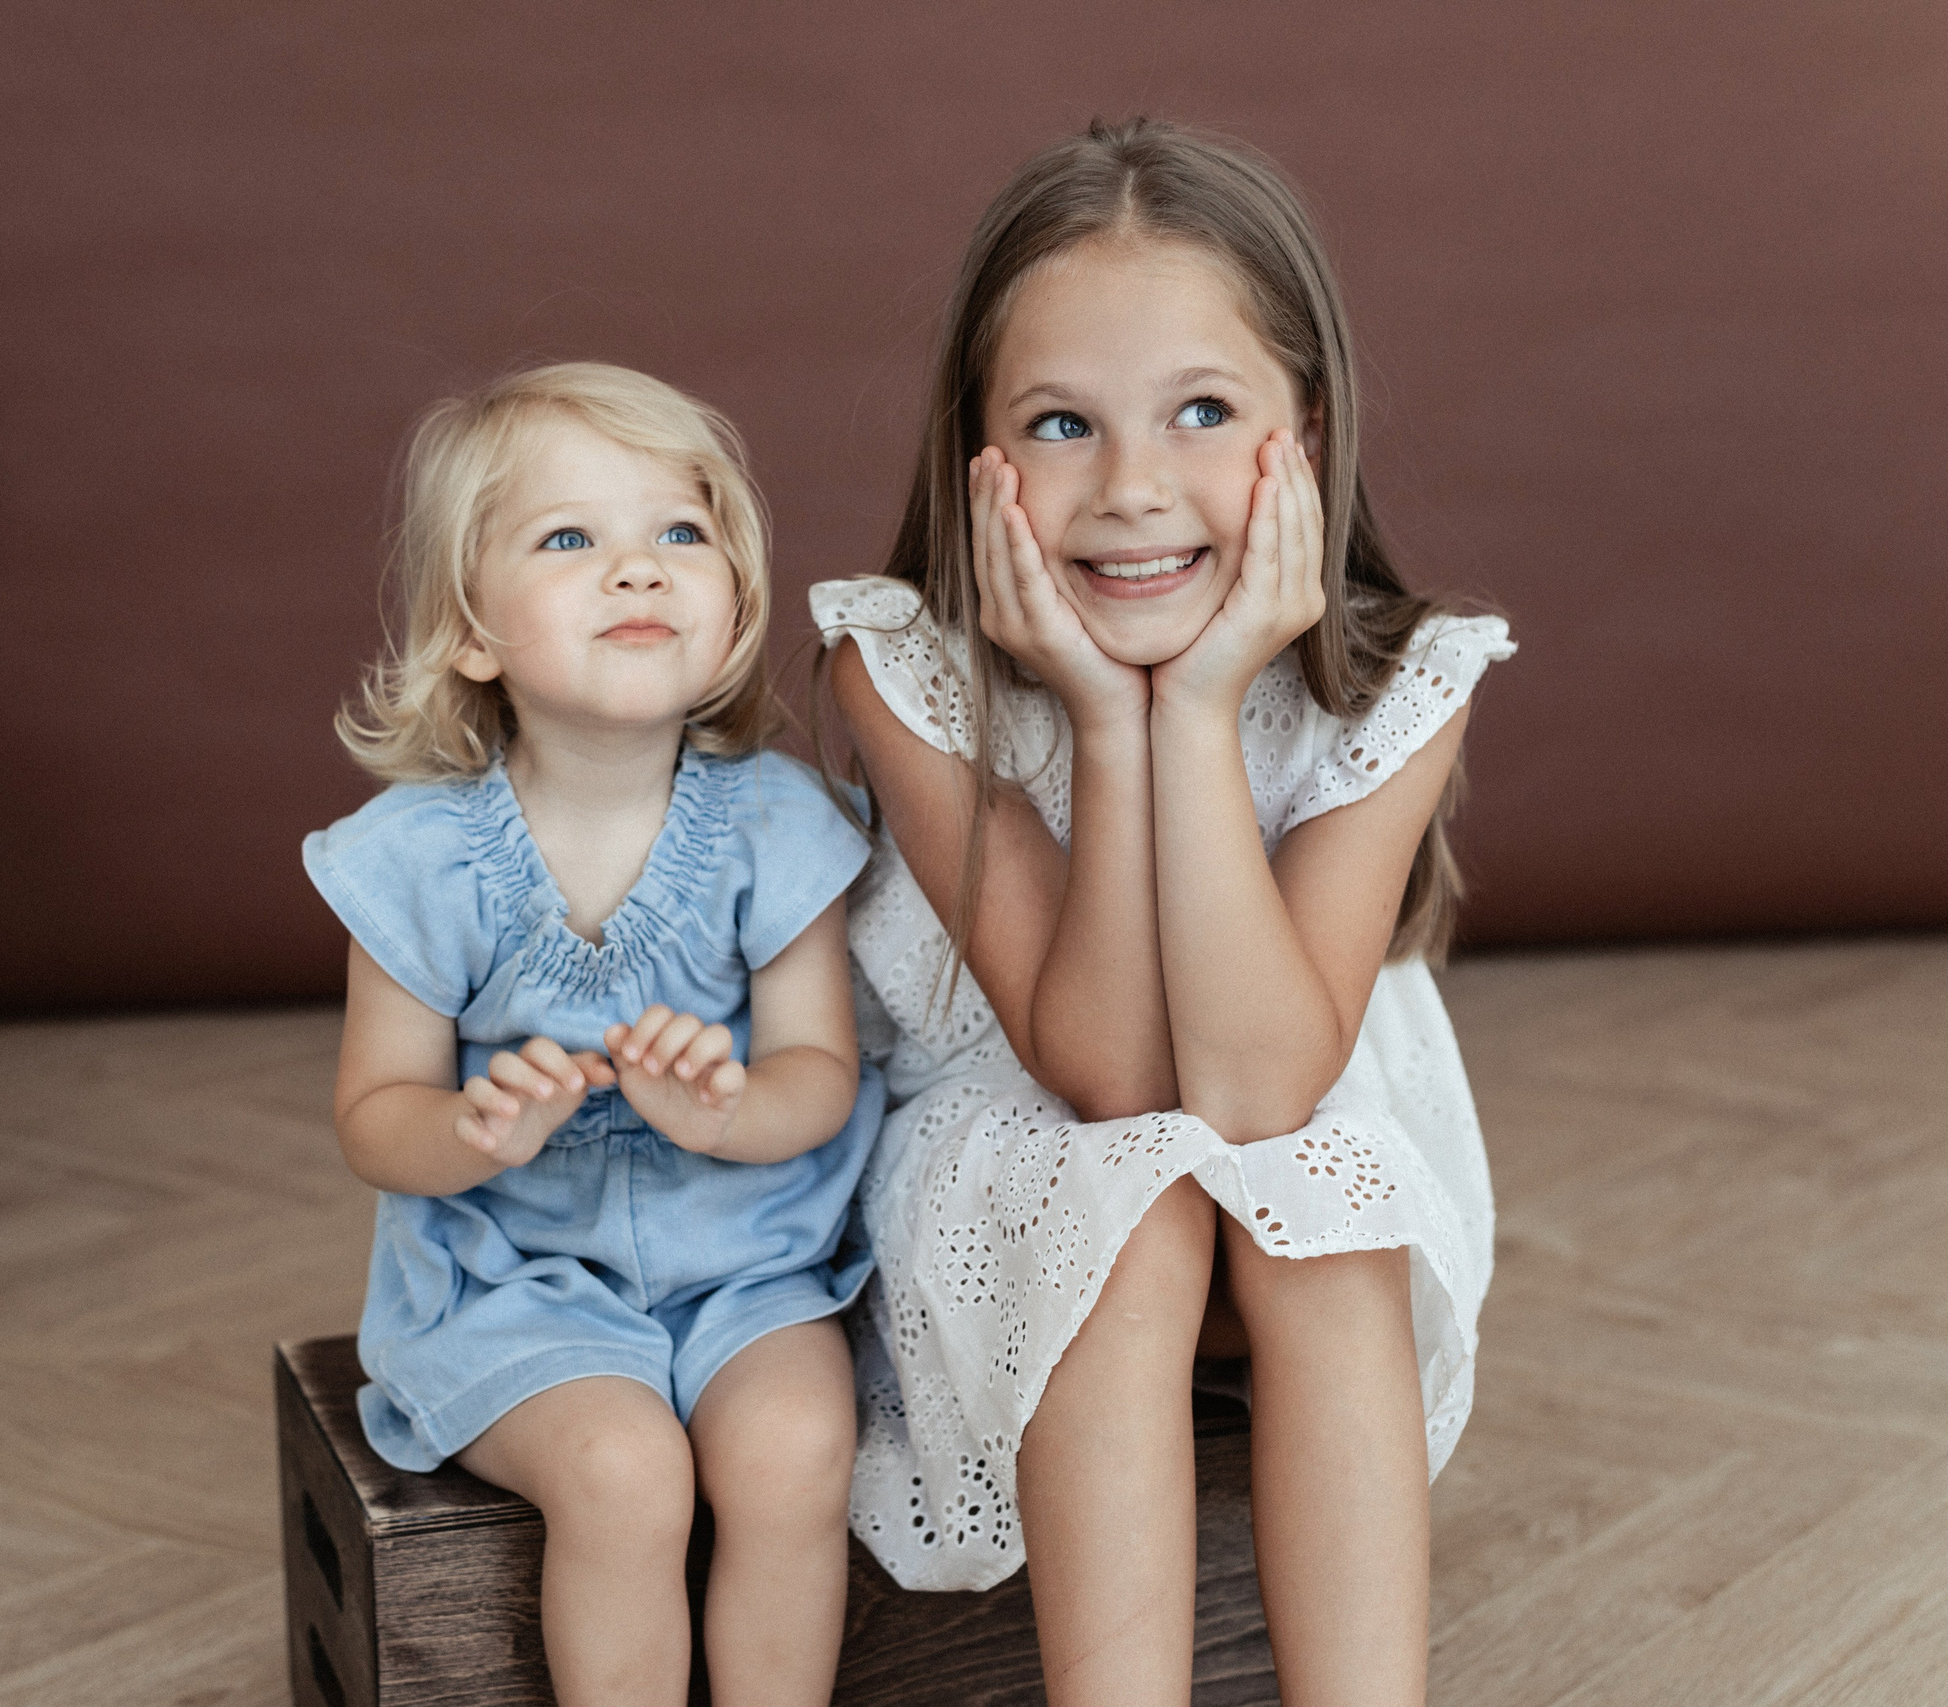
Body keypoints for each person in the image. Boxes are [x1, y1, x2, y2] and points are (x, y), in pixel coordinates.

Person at [812, 119, 1514, 1706]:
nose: (1133, 490)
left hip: (1301, 1132)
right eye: (1062, 424)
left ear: (1306, 435)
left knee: (1319, 1206)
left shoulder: (1402, 679)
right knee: (1133, 1199)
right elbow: (1109, 1077)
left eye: (1203, 412)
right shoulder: (902, 668)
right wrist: (1109, 722)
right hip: (1022, 1154)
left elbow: (1262, 1091)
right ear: (974, 452)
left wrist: (1195, 711)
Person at [309, 362, 881, 1706]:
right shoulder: (418, 859)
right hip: (508, 1278)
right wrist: (469, 1128)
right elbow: (373, 1117)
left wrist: (727, 1111)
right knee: (625, 1472)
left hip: (746, 1269)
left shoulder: (778, 825)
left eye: (679, 535)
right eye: (572, 539)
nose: (639, 571)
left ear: (735, 602)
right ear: (471, 631)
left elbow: (819, 1076)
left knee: (796, 1446)